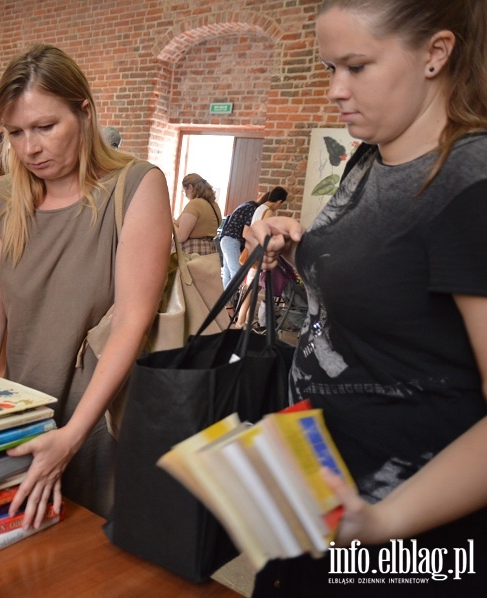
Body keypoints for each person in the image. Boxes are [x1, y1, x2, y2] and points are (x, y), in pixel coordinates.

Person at [244, 0, 487, 595]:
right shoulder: (371, 155)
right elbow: (392, 291)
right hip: (321, 490)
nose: (335, 89)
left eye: (356, 66)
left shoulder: (470, 184)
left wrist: (385, 521)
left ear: (436, 54)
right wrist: (293, 248)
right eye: (329, 68)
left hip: (409, 533)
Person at [0, 44, 171, 525]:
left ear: (85, 113)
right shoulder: (2, 198)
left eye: (45, 127)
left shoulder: (135, 186)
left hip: (101, 428)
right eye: (15, 133)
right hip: (18, 426)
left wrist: (73, 434)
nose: (29, 148)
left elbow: (131, 324)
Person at [235, 186, 287, 328]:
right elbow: (266, 235)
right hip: (258, 254)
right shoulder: (268, 211)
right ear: (279, 202)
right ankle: (240, 322)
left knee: (252, 288)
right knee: (251, 289)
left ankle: (245, 322)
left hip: (252, 251)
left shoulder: (259, 208)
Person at [175, 173, 221, 255]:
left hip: (193, 253)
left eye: (184, 190)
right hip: (209, 252)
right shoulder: (214, 205)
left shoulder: (195, 204)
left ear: (190, 187)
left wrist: (173, 224)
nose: (185, 194)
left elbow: (181, 237)